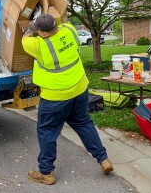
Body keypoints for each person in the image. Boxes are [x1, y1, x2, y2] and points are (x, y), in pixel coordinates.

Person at [21, 14, 113, 185]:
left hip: (55, 97)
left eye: (39, 30)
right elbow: (62, 20)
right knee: (83, 123)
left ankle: (46, 172)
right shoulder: (70, 30)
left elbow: (24, 37)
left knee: (47, 131)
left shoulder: (38, 45)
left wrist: (30, 29)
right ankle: (103, 159)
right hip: (79, 89)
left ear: (45, 33)